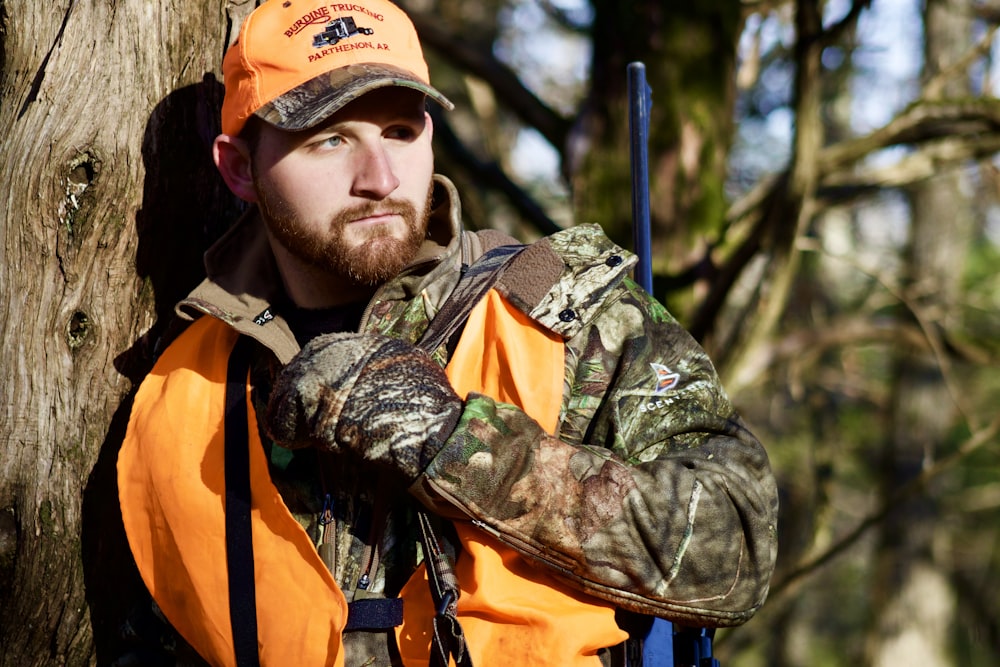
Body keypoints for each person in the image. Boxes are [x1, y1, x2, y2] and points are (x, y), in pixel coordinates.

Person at [116, 0, 779, 665]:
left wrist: (456, 443)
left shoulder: (566, 312)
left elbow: (741, 546)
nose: (379, 179)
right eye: (331, 138)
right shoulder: (184, 381)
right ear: (238, 169)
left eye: (401, 131)